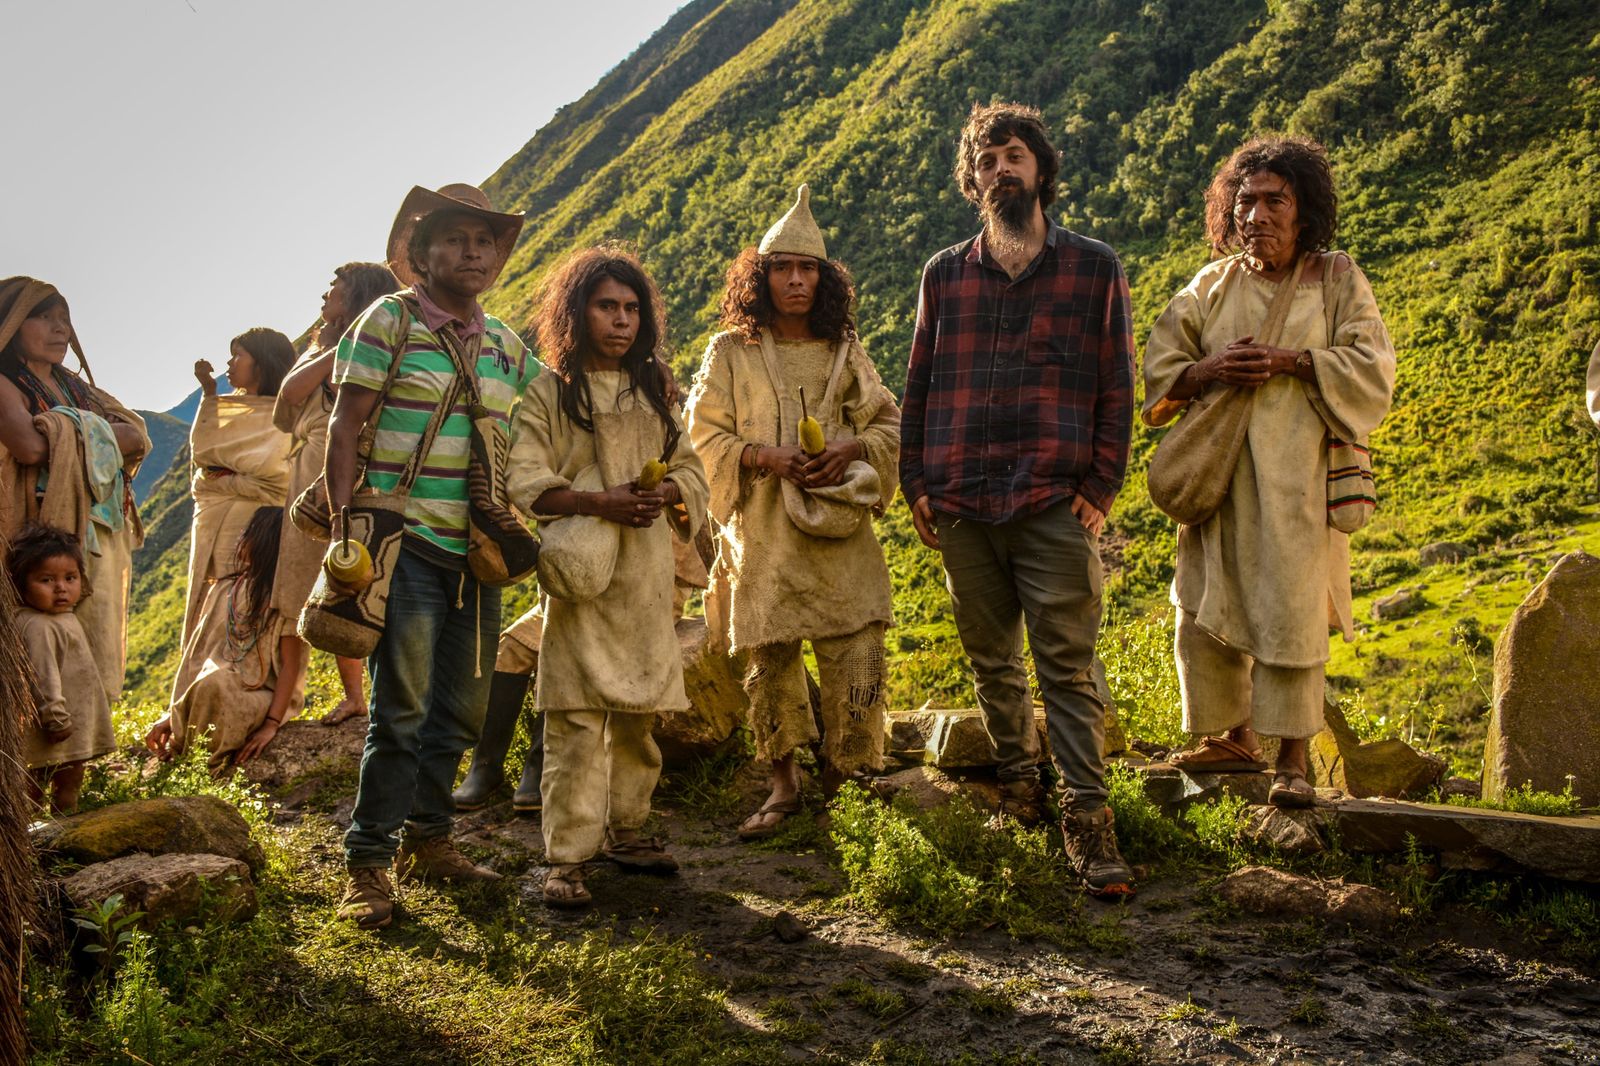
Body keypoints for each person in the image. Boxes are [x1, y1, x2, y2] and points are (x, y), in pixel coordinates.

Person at [899, 102, 1136, 898]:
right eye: (988, 160)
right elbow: (920, 383)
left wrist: (1101, 484)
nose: (1003, 168)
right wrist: (915, 483)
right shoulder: (944, 274)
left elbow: (1117, 384)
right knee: (991, 658)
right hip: (962, 497)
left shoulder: (1093, 267)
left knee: (1067, 666)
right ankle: (1018, 786)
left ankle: (1089, 822)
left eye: (1015, 155)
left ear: (1042, 169)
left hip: (1051, 500)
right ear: (974, 182)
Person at [1142, 136, 1396, 805]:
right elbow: (1162, 374)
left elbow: (1373, 366)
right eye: (1245, 199)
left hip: (1299, 484)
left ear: (1302, 208)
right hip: (1220, 482)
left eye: (1274, 199)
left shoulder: (1336, 278)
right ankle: (1232, 738)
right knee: (1204, 600)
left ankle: (1293, 758)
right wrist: (1212, 369)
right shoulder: (1211, 285)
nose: (1257, 214)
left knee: (1292, 610)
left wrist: (1293, 361)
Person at [329, 184, 535, 930]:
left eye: (484, 240)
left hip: (479, 551)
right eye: (454, 238)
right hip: (405, 544)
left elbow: (550, 422)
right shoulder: (388, 321)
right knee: (403, 708)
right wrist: (348, 528)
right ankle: (368, 861)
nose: (472, 252)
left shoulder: (509, 346)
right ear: (420, 253)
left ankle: (431, 840)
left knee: (463, 710)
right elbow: (345, 426)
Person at [687, 185, 900, 839]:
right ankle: (783, 786)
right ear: (762, 276)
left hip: (839, 532)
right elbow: (701, 433)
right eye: (783, 268)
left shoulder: (844, 351)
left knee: (856, 647)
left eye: (808, 269)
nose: (797, 280)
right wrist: (764, 457)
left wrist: (852, 448)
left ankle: (849, 777)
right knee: (771, 657)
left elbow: (889, 421)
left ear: (825, 278)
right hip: (764, 534)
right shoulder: (730, 352)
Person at [507, 246, 708, 909]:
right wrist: (598, 503)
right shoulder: (548, 394)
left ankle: (629, 831)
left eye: (631, 309)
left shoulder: (651, 389)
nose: (621, 321)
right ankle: (566, 860)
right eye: (605, 307)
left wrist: (670, 489)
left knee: (636, 719)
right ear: (575, 312)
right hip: (581, 579)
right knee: (571, 724)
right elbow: (526, 482)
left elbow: (692, 467)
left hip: (646, 581)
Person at [0, 277, 150, 702]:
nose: (59, 329)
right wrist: (95, 433)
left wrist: (63, 428)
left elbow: (137, 437)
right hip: (32, 534)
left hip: (93, 539)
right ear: (10, 324)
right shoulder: (4, 383)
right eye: (43, 317)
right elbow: (28, 448)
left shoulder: (76, 388)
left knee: (91, 645)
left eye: (63, 319)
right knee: (39, 646)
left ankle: (84, 749)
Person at [273, 263, 398, 726]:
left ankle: (358, 694)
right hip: (314, 464)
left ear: (357, 297)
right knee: (323, 575)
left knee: (346, 571)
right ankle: (344, 693)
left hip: (345, 463)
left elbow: (297, 388)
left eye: (335, 291)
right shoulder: (328, 342)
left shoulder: (367, 341)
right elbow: (289, 394)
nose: (325, 298)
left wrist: (348, 338)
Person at [144, 507, 304, 773]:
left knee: (215, 684)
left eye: (247, 533)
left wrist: (271, 724)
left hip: (262, 695)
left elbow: (290, 666)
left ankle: (206, 769)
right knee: (212, 683)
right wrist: (173, 714)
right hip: (210, 688)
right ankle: (188, 760)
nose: (240, 538)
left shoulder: (286, 603)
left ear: (265, 543)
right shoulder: (223, 590)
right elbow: (195, 657)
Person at [184, 328, 294, 642]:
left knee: (242, 599)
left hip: (255, 525)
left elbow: (277, 475)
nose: (230, 363)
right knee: (209, 603)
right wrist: (208, 392)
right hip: (213, 519)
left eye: (238, 355)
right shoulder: (229, 405)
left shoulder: (289, 411)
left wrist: (226, 479)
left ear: (261, 362)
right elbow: (204, 462)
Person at [9, 525, 113, 813]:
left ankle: (63, 835)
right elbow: (41, 676)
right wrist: (55, 718)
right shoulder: (38, 626)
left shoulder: (63, 617)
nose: (61, 588)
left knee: (70, 779)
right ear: (21, 584)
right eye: (46, 580)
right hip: (52, 727)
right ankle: (43, 841)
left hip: (70, 722)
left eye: (70, 578)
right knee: (37, 783)